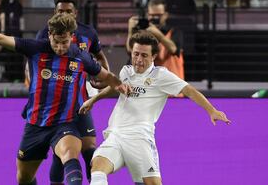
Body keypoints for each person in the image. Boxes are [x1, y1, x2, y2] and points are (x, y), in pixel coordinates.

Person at [0, 13, 131, 185]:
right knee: (24, 177)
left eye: (65, 42)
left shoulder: (80, 56)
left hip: (65, 123)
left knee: (70, 154)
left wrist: (120, 85)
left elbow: (106, 76)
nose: (60, 47)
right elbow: (1, 38)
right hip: (35, 126)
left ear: (72, 37)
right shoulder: (35, 48)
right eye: (56, 42)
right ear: (49, 35)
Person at [79, 30, 231, 185]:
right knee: (97, 167)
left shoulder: (161, 76)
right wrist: (93, 100)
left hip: (140, 139)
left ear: (153, 57)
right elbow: (115, 87)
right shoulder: (126, 71)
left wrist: (211, 110)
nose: (138, 59)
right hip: (116, 136)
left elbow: (189, 90)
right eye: (136, 54)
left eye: (144, 55)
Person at [35, 0, 110, 184]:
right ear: (54, 12)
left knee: (90, 149)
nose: (65, 14)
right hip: (55, 106)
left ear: (75, 13)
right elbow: (32, 64)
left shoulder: (88, 33)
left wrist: (103, 79)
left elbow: (100, 57)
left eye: (69, 11)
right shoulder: (45, 34)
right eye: (61, 11)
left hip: (81, 100)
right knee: (63, 153)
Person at [127, 0, 184, 80]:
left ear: (166, 15)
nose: (155, 18)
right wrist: (130, 31)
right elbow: (130, 51)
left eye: (158, 15)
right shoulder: (143, 32)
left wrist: (157, 33)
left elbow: (174, 49)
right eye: (152, 15)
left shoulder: (174, 31)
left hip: (171, 84)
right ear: (147, 14)